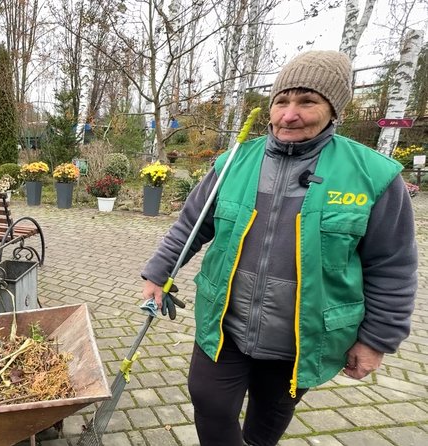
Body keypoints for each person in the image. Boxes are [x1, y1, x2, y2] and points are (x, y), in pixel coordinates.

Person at [141, 50, 417, 446]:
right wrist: (158, 272)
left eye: (307, 101)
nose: (289, 114)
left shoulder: (373, 176)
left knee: (265, 427)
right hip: (225, 327)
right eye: (281, 101)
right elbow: (191, 225)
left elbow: (393, 266)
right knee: (211, 404)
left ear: (333, 109)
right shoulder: (233, 162)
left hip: (300, 340)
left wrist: (376, 340)